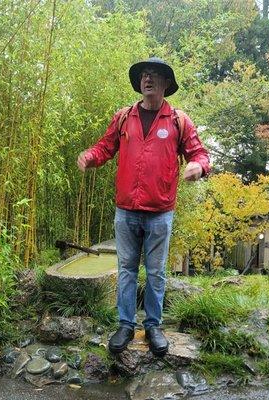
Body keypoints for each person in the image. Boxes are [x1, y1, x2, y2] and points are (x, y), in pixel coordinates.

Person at [77, 57, 210, 356]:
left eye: (154, 75)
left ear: (165, 84)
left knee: (155, 271)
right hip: (126, 209)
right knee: (126, 269)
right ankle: (125, 324)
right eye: (144, 75)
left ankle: (153, 326)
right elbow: (105, 147)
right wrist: (89, 156)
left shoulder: (178, 120)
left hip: (160, 212)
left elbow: (200, 153)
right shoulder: (124, 117)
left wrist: (198, 167)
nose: (147, 79)